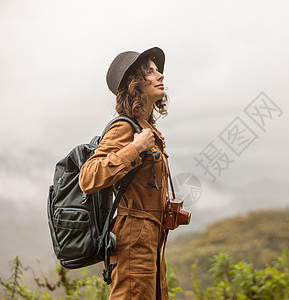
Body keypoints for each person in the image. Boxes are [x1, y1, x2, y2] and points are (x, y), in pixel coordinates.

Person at [79, 47, 170, 300]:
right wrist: (135, 148)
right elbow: (88, 178)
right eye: (150, 72)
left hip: (152, 241)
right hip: (133, 240)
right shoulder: (124, 127)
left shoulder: (146, 128)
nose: (160, 75)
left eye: (158, 70)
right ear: (134, 84)